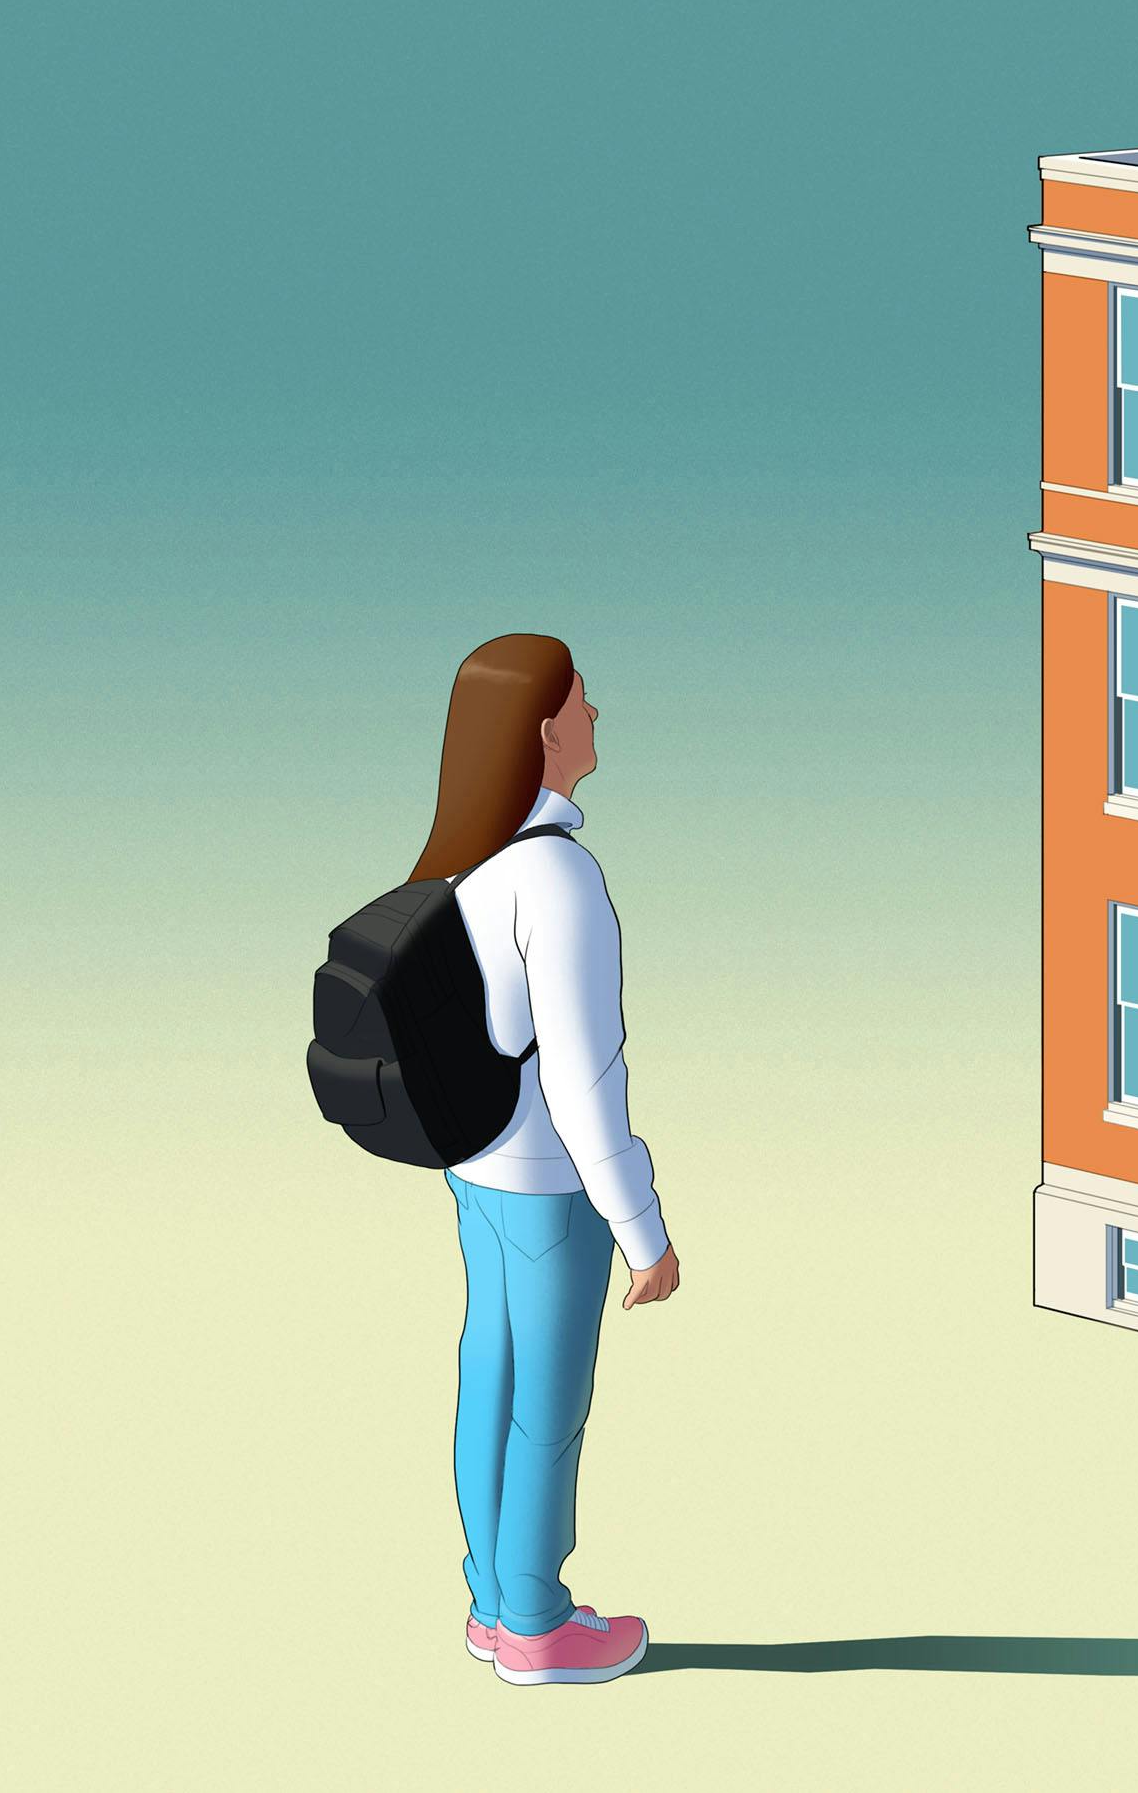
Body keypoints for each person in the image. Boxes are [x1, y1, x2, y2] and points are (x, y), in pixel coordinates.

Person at [415, 633, 678, 1686]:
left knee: (491, 1371)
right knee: (549, 1401)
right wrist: (643, 1230)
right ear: (545, 733)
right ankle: (536, 1622)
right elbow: (584, 1081)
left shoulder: (460, 860)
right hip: (548, 1182)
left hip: (472, 1162)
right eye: (584, 701)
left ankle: (490, 1599)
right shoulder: (558, 878)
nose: (598, 715)